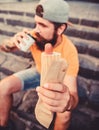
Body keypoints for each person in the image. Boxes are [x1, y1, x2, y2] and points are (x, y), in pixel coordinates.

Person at [0, 0, 79, 130]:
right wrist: (11, 42)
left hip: (56, 79)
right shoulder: (33, 36)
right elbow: (4, 48)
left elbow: (73, 94)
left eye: (42, 25)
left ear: (60, 29)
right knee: (3, 86)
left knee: (64, 115)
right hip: (38, 72)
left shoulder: (69, 51)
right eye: (36, 23)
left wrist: (68, 102)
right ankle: (2, 125)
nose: (36, 29)